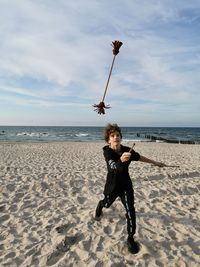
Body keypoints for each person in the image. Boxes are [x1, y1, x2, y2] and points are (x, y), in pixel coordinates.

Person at [95, 123, 166, 254]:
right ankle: (100, 204)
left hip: (126, 185)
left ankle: (130, 237)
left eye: (118, 135)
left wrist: (155, 163)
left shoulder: (128, 150)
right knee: (106, 203)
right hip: (112, 185)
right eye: (113, 136)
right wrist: (121, 160)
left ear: (120, 137)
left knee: (130, 210)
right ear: (108, 139)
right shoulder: (107, 152)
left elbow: (139, 157)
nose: (116, 137)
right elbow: (113, 167)